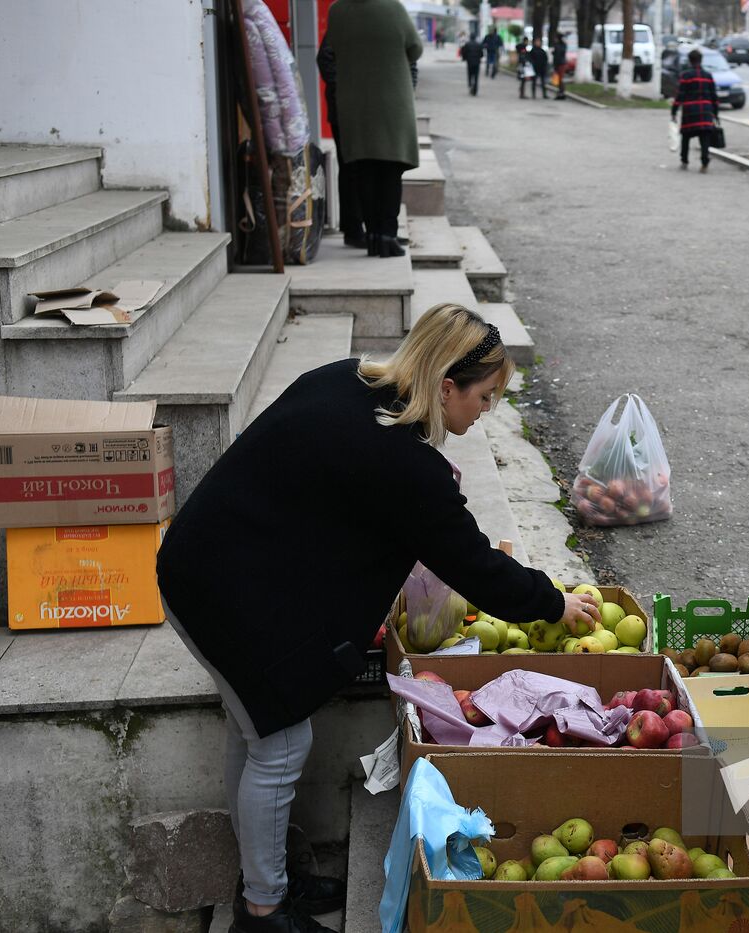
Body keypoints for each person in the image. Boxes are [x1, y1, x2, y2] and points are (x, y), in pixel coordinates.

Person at [157, 305, 603, 933]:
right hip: (219, 588)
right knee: (281, 742)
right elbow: (475, 565)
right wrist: (555, 602)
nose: (485, 411)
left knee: (253, 731)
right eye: (485, 396)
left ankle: (267, 879)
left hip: (211, 561)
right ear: (447, 385)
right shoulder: (404, 463)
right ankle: (262, 912)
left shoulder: (348, 380)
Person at [326, 0, 425, 259]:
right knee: (390, 169)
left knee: (363, 170)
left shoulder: (337, 11)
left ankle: (371, 236)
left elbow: (332, 48)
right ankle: (387, 236)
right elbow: (415, 49)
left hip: (353, 102)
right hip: (391, 102)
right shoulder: (393, 8)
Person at [315, 33, 365, 249]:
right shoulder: (343, 19)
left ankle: (368, 228)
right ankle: (353, 230)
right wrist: (344, 87)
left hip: (355, 108)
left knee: (360, 168)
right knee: (351, 168)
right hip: (343, 110)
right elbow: (324, 59)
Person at [671, 48, 718, 172]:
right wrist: (716, 114)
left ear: (690, 61)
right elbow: (714, 97)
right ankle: (704, 163)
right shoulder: (708, 76)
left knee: (686, 136)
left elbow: (679, 95)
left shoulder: (685, 76)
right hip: (705, 112)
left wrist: (674, 111)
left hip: (690, 111)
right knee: (705, 139)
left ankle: (684, 161)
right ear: (701, 60)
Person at [551, 32, 569, 99]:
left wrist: (555, 66)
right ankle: (561, 92)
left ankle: (561, 93)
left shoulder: (557, 45)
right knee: (560, 79)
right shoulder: (563, 45)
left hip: (559, 64)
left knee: (559, 79)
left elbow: (557, 56)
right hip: (562, 63)